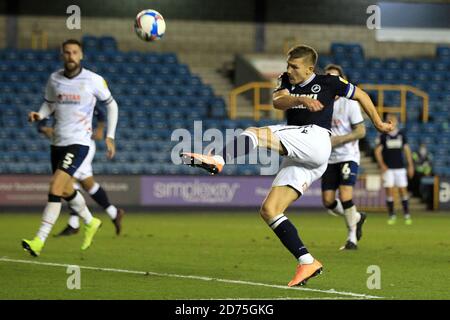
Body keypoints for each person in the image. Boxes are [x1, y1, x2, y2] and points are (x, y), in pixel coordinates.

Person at [180, 45, 393, 287]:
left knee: (254, 133)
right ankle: (307, 261)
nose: (289, 70)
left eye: (294, 67)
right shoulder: (286, 81)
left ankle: (219, 160)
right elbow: (278, 102)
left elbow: (362, 95)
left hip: (316, 138)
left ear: (310, 68)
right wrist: (300, 98)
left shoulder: (329, 82)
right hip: (305, 157)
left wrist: (377, 123)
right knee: (270, 210)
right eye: (288, 65)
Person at [23, 39, 119, 257]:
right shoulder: (54, 79)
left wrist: (110, 136)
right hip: (57, 142)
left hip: (79, 143)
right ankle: (90, 221)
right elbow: (49, 103)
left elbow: (112, 105)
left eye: (75, 52)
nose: (71, 56)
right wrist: (40, 115)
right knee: (66, 190)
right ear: (62, 55)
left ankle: (39, 240)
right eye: (67, 52)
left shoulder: (93, 80)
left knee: (55, 186)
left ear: (81, 55)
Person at [37, 107, 125, 237]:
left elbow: (99, 112)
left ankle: (74, 223)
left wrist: (100, 129)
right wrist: (46, 130)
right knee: (88, 184)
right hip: (63, 145)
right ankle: (114, 212)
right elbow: (41, 124)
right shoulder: (54, 103)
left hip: (81, 143)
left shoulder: (77, 99)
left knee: (67, 181)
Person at [320, 64, 367, 250]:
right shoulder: (321, 102)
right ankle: (356, 216)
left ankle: (351, 238)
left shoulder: (350, 103)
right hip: (328, 158)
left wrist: (340, 140)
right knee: (328, 201)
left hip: (348, 155)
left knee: (346, 195)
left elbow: (361, 131)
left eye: (335, 77)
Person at [374, 113, 414, 225]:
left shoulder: (401, 135)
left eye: (393, 120)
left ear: (396, 122)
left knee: (403, 191)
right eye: (389, 120)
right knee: (389, 192)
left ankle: (406, 214)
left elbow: (407, 150)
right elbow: (377, 151)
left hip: (400, 168)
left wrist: (410, 165)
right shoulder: (383, 135)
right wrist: (382, 165)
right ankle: (392, 215)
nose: (391, 121)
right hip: (388, 169)